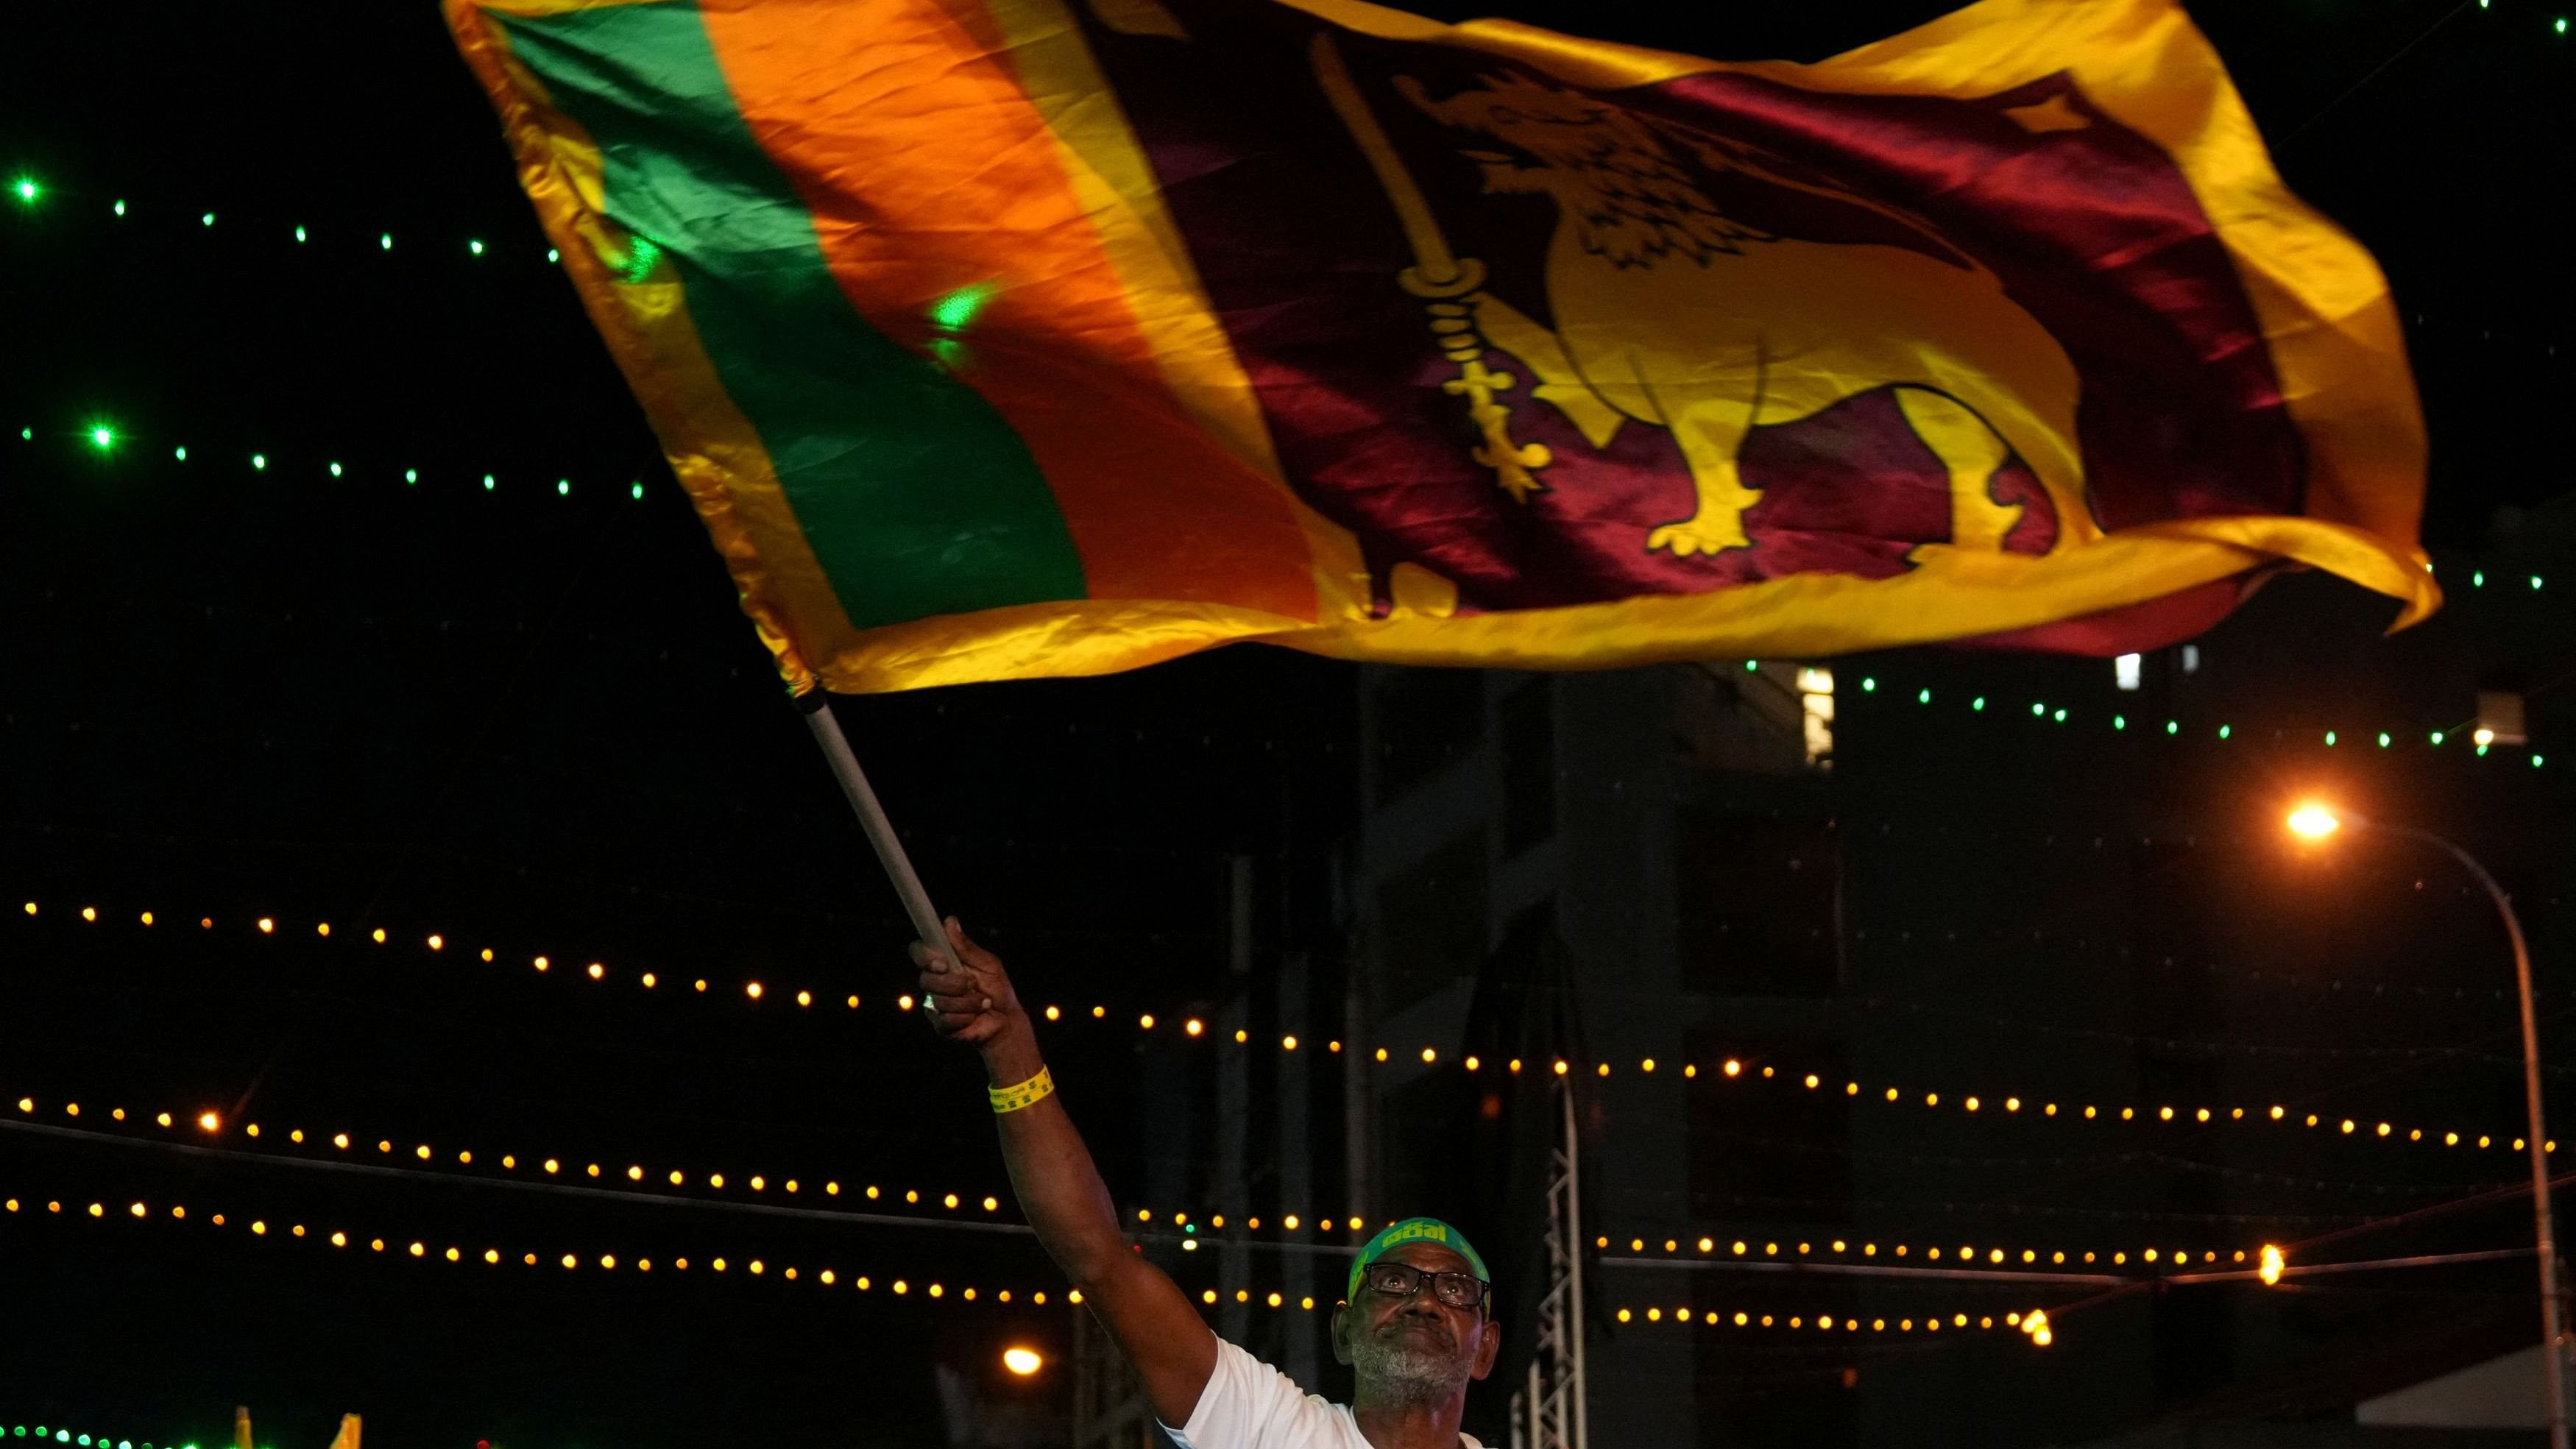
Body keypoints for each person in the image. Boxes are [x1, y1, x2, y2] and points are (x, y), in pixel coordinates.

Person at [915, 917, 1502, 1449]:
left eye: (1454, 1290)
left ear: (1487, 1348)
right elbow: (1100, 1259)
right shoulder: (1269, 1426)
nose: (1424, 1300)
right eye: (1394, 1280)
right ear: (1344, 1331)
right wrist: (1009, 1047)